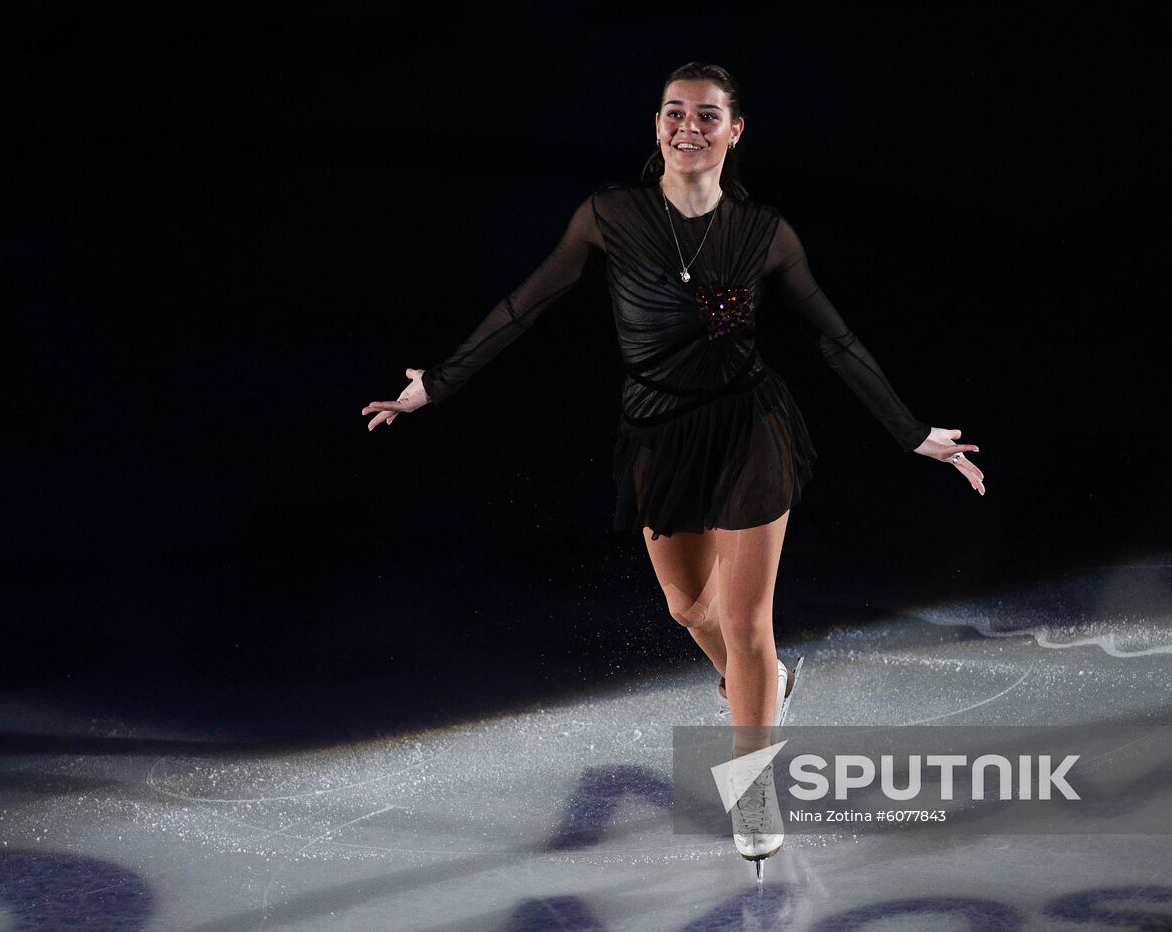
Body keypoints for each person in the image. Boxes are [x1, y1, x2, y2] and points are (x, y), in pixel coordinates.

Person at [361, 62, 985, 874]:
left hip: (749, 429)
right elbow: (527, 302)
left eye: (706, 115)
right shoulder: (609, 214)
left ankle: (755, 788)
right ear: (656, 124)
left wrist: (910, 433)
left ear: (735, 131)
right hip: (660, 433)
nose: (687, 127)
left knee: (747, 619)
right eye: (673, 113)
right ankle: (767, 687)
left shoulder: (764, 233)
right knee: (691, 606)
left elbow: (835, 339)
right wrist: (433, 386)